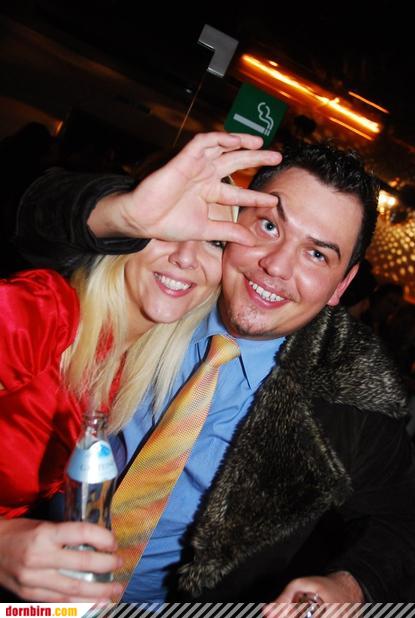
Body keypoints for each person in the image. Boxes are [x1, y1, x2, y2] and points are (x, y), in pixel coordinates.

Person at [10, 137, 415, 603]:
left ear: (342, 284)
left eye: (317, 254)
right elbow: (34, 216)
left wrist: (350, 585)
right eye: (269, 226)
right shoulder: (162, 285)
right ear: (233, 216)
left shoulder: (350, 397)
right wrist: (125, 215)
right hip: (29, 585)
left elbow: (403, 520)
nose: (276, 266)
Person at [0, 132, 281, 602]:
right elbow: (33, 208)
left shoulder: (139, 368)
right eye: (168, 229)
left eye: (214, 242)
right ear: (130, 231)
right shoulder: (44, 312)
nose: (186, 258)